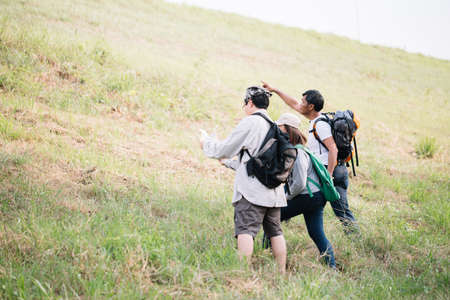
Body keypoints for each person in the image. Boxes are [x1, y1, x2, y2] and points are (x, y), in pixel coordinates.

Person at [199, 86, 288, 273]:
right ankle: (281, 273)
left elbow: (226, 149)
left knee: (245, 230)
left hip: (252, 189)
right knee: (276, 232)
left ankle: (241, 274)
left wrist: (206, 143)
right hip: (274, 191)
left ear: (249, 102)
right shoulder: (274, 124)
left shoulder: (251, 123)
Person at [261, 81, 359, 233]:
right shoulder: (315, 121)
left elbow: (333, 149)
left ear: (311, 106)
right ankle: (277, 223)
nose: (299, 104)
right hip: (328, 170)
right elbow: (293, 103)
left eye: (303, 102)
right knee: (330, 210)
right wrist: (275, 90)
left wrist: (329, 175)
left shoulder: (319, 125)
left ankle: (356, 239)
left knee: (342, 211)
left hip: (330, 171)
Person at [263, 113, 336, 268]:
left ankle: (265, 255)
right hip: (317, 197)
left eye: (280, 127)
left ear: (288, 130)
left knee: (271, 219)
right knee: (316, 233)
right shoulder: (303, 149)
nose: (277, 130)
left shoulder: (298, 152)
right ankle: (332, 267)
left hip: (307, 196)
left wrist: (285, 197)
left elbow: (299, 184)